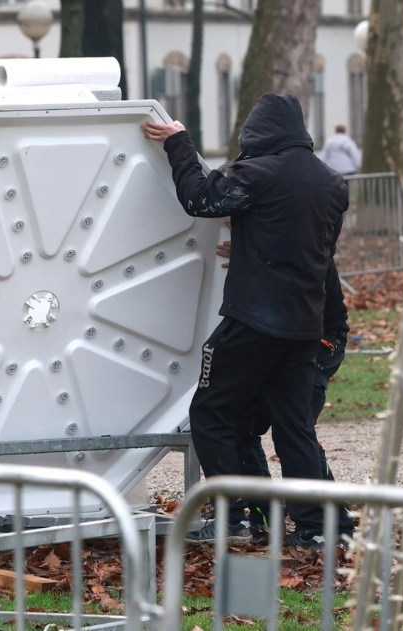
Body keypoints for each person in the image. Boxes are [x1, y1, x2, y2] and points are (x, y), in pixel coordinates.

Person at [141, 93, 348, 549]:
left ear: (256, 132)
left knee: (212, 414)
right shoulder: (332, 182)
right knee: (294, 427)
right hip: (304, 328)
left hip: (253, 320)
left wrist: (179, 143)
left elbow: (200, 198)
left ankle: (234, 516)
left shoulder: (260, 172)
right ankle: (315, 527)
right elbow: (310, 247)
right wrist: (249, 247)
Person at [218, 230, 356, 543]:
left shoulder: (300, 228)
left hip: (319, 340)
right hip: (280, 338)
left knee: (295, 426)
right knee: (242, 422)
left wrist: (251, 254)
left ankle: (332, 525)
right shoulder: (266, 231)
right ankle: (266, 513)